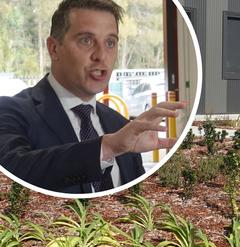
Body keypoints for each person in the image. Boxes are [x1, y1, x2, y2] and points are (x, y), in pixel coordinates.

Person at [0, 0, 185, 194]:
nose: (101, 55)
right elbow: (13, 172)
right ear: (54, 48)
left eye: (110, 43)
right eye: (86, 40)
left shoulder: (121, 125)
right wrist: (107, 148)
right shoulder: (10, 111)